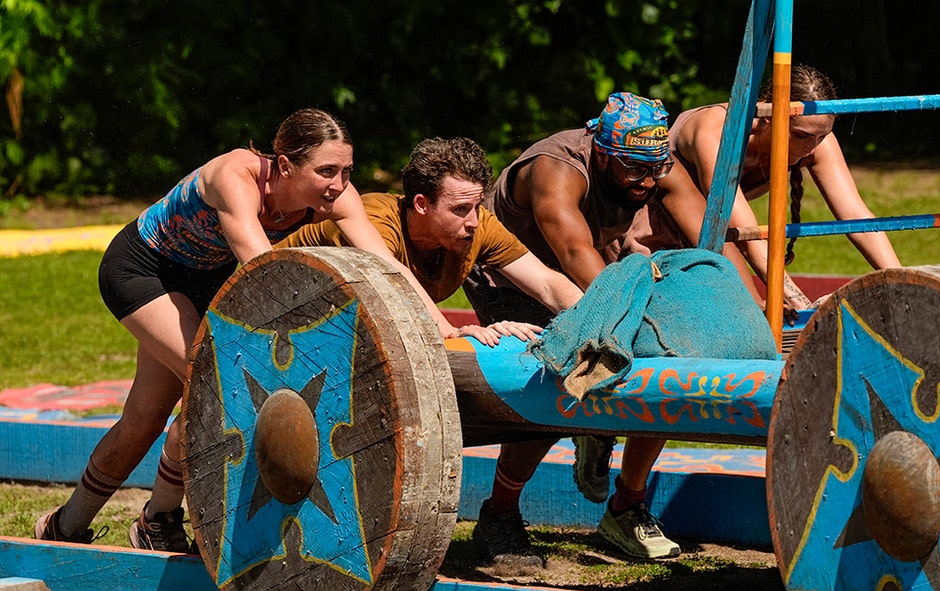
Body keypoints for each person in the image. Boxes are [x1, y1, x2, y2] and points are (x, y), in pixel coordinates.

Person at [35, 108, 426, 552]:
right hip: (144, 271)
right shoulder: (235, 176)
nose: (338, 185)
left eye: (346, 171)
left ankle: (66, 527)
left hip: (201, 283)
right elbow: (264, 274)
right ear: (283, 166)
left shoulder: (335, 196)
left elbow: (388, 266)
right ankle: (154, 521)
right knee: (212, 388)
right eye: (326, 171)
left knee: (145, 419)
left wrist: (439, 323)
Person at [464, 92, 721, 566]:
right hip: (514, 278)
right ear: (602, 152)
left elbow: (712, 248)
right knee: (550, 377)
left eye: (656, 169)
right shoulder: (555, 168)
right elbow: (575, 255)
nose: (647, 182)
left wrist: (733, 308)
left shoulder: (652, 166)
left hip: (594, 270)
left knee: (665, 352)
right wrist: (624, 324)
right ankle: (498, 513)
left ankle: (626, 505)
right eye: (633, 170)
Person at [276, 136, 582, 345]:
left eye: (476, 206)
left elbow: (547, 284)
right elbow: (397, 292)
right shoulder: (376, 222)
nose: (474, 221)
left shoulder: (476, 225)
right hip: (272, 310)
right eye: (460, 209)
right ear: (422, 204)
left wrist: (594, 323)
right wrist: (455, 334)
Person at [662, 63, 901, 312]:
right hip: (651, 224)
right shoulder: (718, 131)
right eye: (801, 136)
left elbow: (857, 217)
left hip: (711, 229)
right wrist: (803, 306)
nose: (812, 146)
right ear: (768, 116)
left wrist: (903, 283)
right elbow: (748, 235)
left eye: (821, 136)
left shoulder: (815, 137)